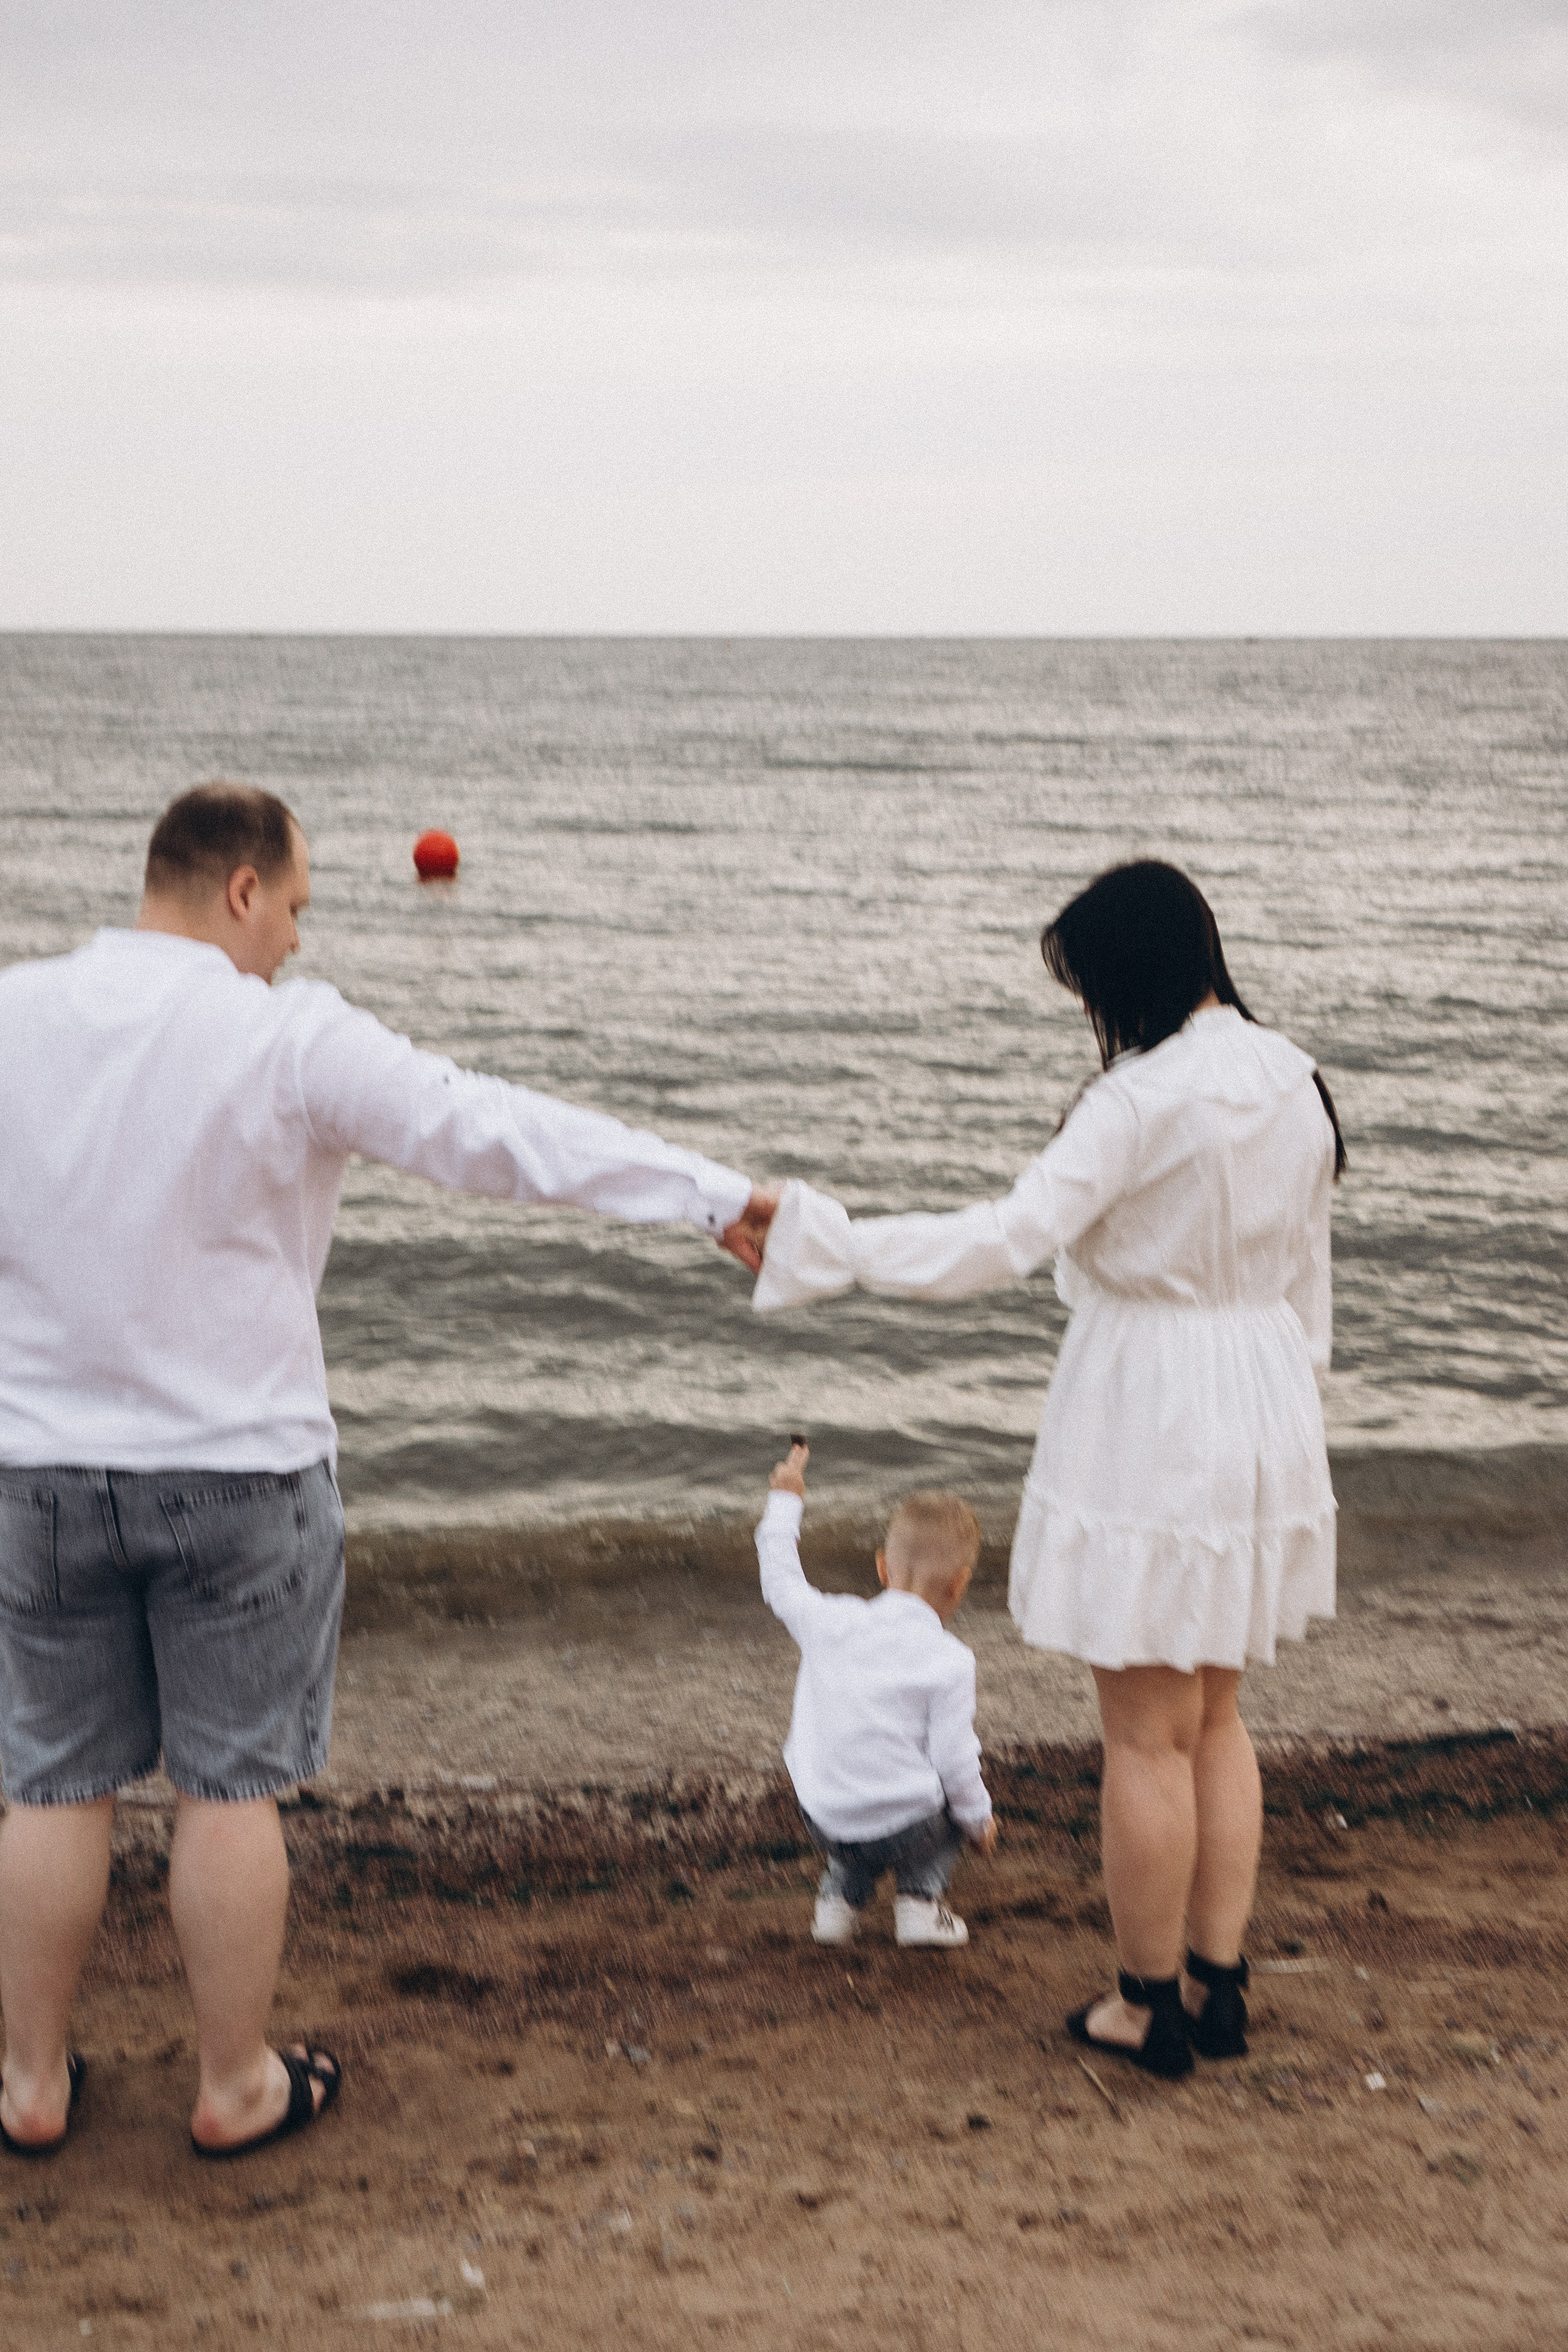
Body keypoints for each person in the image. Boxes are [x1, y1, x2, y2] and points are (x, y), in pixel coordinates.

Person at [0, 782, 775, 2158]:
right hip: (239, 1473)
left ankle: (31, 2086)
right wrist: (705, 1192)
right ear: (241, 890)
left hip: (38, 1474)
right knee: (227, 1791)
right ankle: (233, 2085)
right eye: (293, 908)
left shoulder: (15, 1016)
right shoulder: (285, 1038)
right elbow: (487, 1131)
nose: (296, 941)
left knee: (53, 1783)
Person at [752, 860, 1344, 2078]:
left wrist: (827, 1241)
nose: (1087, 1013)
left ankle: (1144, 2004)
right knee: (1215, 1715)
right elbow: (1307, 1285)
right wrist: (1284, 1412)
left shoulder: (1133, 1104)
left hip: (1152, 1399)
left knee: (1143, 1736)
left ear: (1123, 977)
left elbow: (1000, 1241)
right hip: (1261, 1392)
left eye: (1086, 988)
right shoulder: (1294, 1081)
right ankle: (1216, 1986)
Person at [757, 1440, 997, 1950]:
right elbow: (955, 1762)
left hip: (822, 1817)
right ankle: (919, 1904)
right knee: (952, 1803)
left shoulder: (830, 1620)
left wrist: (786, 1498)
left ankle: (837, 1906)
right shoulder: (951, 1659)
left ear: (883, 1568)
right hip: (907, 1829)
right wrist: (979, 1822)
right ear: (959, 1584)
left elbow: (779, 1580)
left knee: (859, 1816)